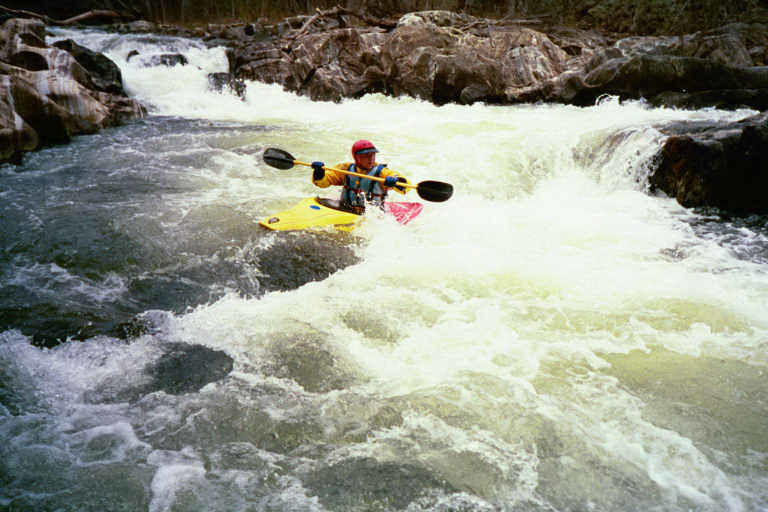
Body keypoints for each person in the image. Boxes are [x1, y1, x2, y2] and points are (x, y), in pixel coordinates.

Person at [311, 139, 410, 212]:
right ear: (356, 157)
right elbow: (323, 183)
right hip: (345, 208)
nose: (371, 159)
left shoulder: (382, 173)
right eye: (366, 156)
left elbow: (405, 186)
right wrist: (319, 172)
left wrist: (395, 181)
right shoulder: (345, 169)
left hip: (372, 214)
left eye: (373, 155)